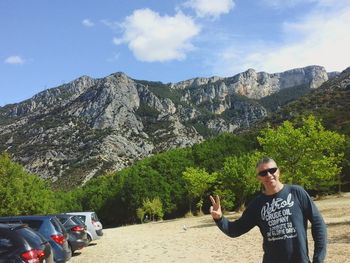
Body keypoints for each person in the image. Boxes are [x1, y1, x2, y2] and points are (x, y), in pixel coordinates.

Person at [210, 157, 327, 263]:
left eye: (272, 170)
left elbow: (318, 224)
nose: (269, 175)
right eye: (263, 173)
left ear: (279, 171)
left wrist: (318, 258)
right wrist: (219, 218)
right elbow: (234, 230)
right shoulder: (257, 204)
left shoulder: (297, 193)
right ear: (259, 178)